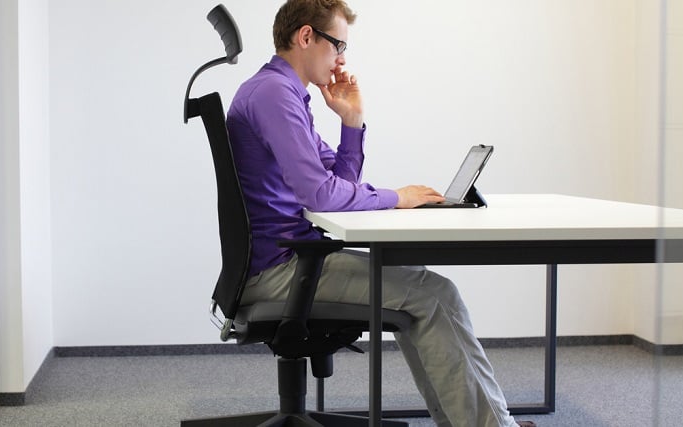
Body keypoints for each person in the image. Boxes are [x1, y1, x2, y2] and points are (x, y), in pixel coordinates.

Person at [225, 1, 535, 426]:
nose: (342, 58)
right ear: (305, 37)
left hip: (288, 261)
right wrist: (397, 197)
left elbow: (340, 183)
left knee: (424, 290)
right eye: (337, 45)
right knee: (434, 294)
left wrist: (351, 120)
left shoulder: (282, 93)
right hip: (282, 271)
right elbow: (321, 195)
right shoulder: (275, 95)